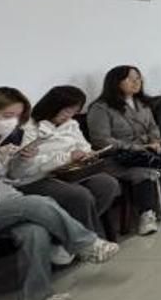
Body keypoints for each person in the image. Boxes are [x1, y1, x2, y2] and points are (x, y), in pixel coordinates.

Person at [0, 87, 119, 300]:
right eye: (6, 116)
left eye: (16, 117)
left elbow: (12, 174)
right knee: (37, 203)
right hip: (4, 201)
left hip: (4, 202)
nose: (12, 123)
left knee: (34, 231)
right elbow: (11, 178)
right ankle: (84, 243)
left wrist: (18, 158)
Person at [87, 65, 161, 236]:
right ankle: (146, 215)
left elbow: (153, 127)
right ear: (115, 82)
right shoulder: (100, 108)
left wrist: (155, 141)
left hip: (149, 152)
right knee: (145, 173)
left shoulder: (142, 103)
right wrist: (137, 147)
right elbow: (101, 140)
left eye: (138, 78)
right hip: (119, 158)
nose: (136, 82)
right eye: (130, 79)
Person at [10, 86, 121, 237]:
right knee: (80, 196)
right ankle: (88, 238)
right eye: (66, 111)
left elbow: (84, 146)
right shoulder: (28, 127)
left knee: (108, 184)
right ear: (53, 106)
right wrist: (67, 157)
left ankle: (73, 232)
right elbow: (24, 167)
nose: (69, 116)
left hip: (71, 172)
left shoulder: (71, 124)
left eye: (74, 111)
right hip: (37, 178)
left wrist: (86, 154)